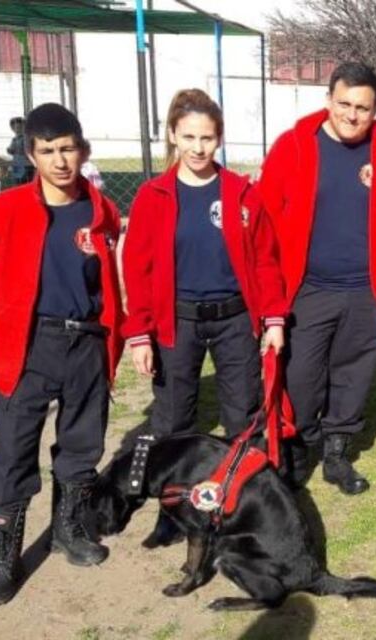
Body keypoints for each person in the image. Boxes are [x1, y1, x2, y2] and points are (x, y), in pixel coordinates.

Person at [0, 103, 124, 605]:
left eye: (67, 148)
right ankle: (4, 558)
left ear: (82, 148)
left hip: (86, 343)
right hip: (28, 345)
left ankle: (68, 531)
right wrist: (10, 321)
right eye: (47, 151)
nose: (60, 160)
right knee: (13, 452)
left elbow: (105, 281)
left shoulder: (101, 211)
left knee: (81, 445)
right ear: (31, 155)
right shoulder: (4, 210)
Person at [122, 88, 286, 545]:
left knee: (242, 416)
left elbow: (266, 260)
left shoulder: (239, 193)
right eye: (189, 136)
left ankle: (244, 503)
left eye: (208, 138)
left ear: (220, 139)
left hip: (235, 320)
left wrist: (273, 320)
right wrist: (139, 334)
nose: (198, 147)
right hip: (179, 322)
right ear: (173, 135)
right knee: (174, 421)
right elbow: (137, 269)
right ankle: (173, 510)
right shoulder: (154, 196)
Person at [257, 61, 376, 495]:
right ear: (329, 99)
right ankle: (297, 451)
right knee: (303, 377)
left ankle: (336, 453)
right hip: (309, 289)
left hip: (367, 291)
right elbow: (264, 216)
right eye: (345, 104)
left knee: (351, 375)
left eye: (363, 108)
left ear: (375, 109)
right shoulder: (295, 146)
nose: (352, 115)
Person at [6, 116, 34, 184]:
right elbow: (13, 150)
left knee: (25, 184)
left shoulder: (26, 138)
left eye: (19, 127)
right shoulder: (14, 139)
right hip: (17, 164)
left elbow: (27, 150)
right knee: (18, 184)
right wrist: (10, 150)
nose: (17, 129)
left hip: (26, 166)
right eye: (14, 128)